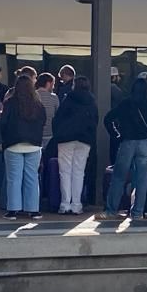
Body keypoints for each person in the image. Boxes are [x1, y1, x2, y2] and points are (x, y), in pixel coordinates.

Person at [104, 74, 147, 218]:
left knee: (119, 177)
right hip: (144, 143)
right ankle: (137, 212)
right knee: (142, 179)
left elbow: (108, 119)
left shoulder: (125, 103)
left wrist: (116, 134)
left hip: (127, 141)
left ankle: (111, 210)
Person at [1, 74, 46, 220]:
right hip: (34, 145)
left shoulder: (10, 103)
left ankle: (13, 210)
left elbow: (3, 123)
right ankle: (33, 210)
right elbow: (43, 122)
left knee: (14, 178)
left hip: (13, 144)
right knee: (32, 177)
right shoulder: (38, 104)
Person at [51, 76, 98, 215]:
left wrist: (58, 134)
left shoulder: (68, 99)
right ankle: (76, 205)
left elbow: (58, 119)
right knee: (79, 172)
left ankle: (65, 204)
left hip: (66, 139)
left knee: (65, 172)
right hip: (84, 140)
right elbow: (95, 121)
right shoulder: (92, 101)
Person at [36, 72, 60, 147]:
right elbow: (58, 115)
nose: (53, 87)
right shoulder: (54, 97)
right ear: (48, 83)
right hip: (49, 134)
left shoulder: (32, 96)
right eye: (53, 84)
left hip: (35, 134)